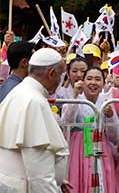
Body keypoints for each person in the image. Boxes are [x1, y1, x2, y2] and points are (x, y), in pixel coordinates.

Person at [0, 48, 72, 192]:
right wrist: (51, 183)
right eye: (61, 75)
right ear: (52, 73)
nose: (60, 81)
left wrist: (56, 178)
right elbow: (39, 174)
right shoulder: (34, 101)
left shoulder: (20, 91)